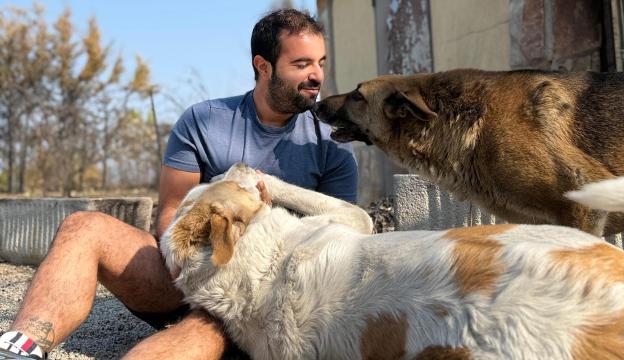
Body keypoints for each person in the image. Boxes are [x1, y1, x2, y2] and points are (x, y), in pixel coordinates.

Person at [0, 8, 357, 360]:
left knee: (204, 326)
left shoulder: (331, 143)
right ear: (263, 66)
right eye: (302, 64)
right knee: (82, 227)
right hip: (186, 271)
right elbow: (171, 208)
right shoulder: (204, 121)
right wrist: (191, 269)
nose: (316, 75)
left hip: (261, 299)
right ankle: (20, 347)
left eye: (321, 63)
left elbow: (343, 243)